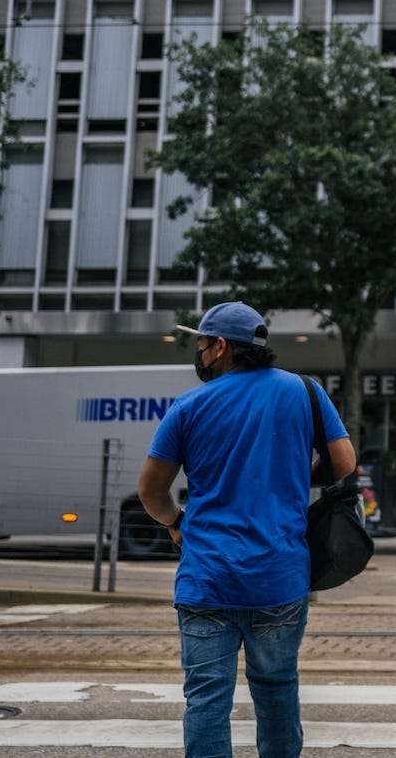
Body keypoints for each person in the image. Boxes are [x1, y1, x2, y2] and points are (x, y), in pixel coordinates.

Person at [138, 302, 353, 758]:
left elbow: (151, 492)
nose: (197, 353)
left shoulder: (190, 406)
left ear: (220, 347)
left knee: (207, 701)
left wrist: (177, 524)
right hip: (279, 577)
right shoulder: (305, 392)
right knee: (277, 690)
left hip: (207, 579)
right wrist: (295, 475)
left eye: (200, 343)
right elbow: (344, 463)